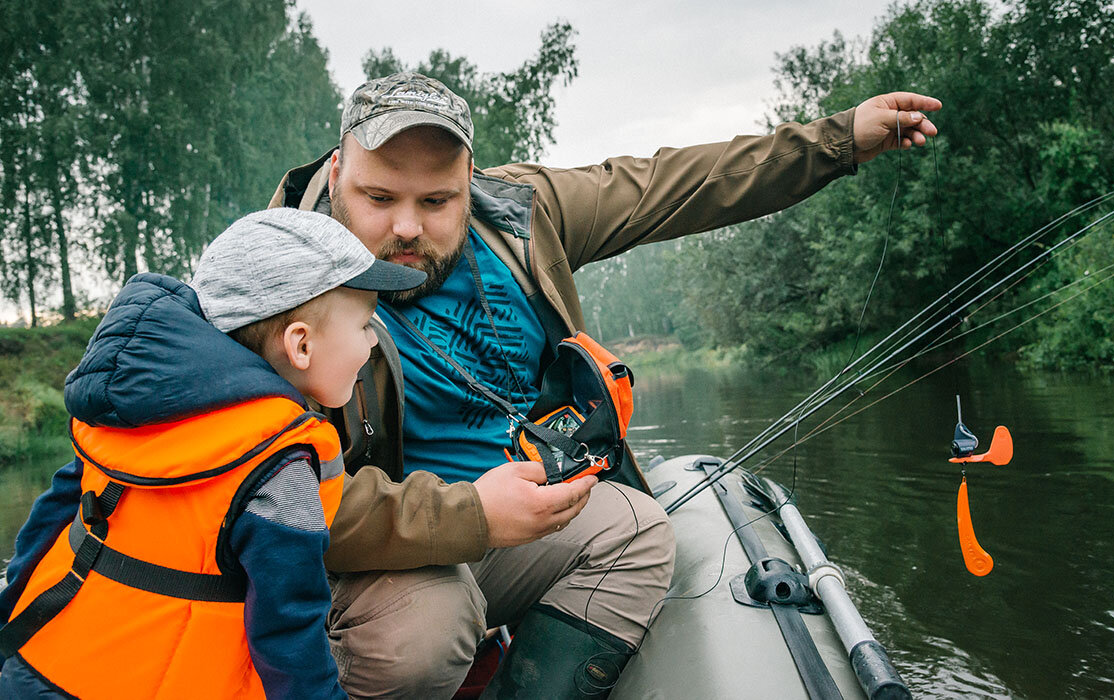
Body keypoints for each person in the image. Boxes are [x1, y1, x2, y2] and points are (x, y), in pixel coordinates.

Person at [268, 72, 941, 698]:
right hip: (376, 562)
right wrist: (470, 514)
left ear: (470, 180)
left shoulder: (524, 217)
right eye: (378, 198)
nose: (407, 227)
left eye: (437, 200)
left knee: (638, 530)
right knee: (427, 632)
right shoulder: (275, 287)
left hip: (501, 532)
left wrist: (836, 142)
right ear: (336, 172)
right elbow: (290, 506)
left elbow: (675, 186)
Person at [0, 209, 426, 699]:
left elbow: (46, 525)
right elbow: (290, 631)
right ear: (301, 345)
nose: (373, 344)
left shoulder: (134, 410)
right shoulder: (280, 464)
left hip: (33, 668)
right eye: (366, 326)